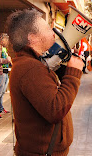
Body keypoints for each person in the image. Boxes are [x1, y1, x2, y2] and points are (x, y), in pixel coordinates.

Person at [6, 9, 84, 156]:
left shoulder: (30, 63)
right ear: (32, 38)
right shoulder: (31, 68)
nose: (53, 34)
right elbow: (56, 109)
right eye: (48, 29)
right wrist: (73, 74)